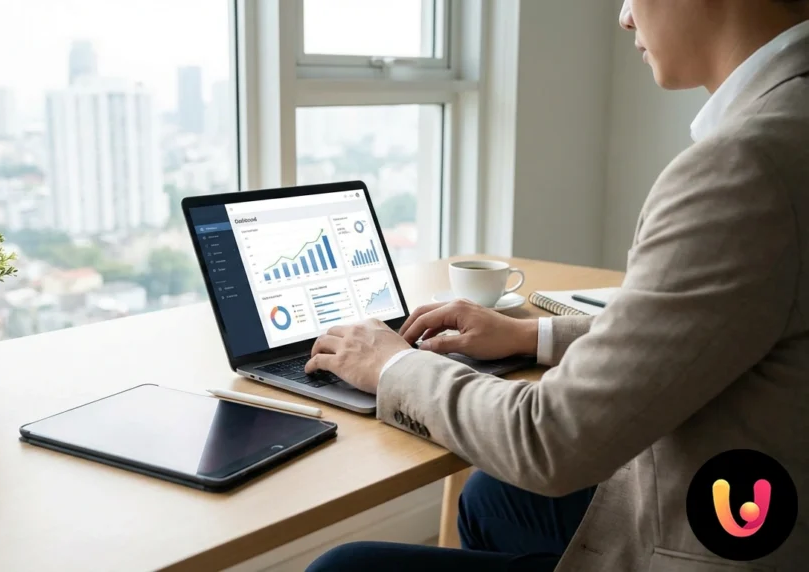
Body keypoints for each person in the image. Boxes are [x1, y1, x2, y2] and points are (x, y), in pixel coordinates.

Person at [306, 0, 809, 570]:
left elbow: (551, 443)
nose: (623, 17)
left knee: (340, 568)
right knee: (492, 498)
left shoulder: (744, 165)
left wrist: (392, 366)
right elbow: (723, 323)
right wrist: (529, 336)